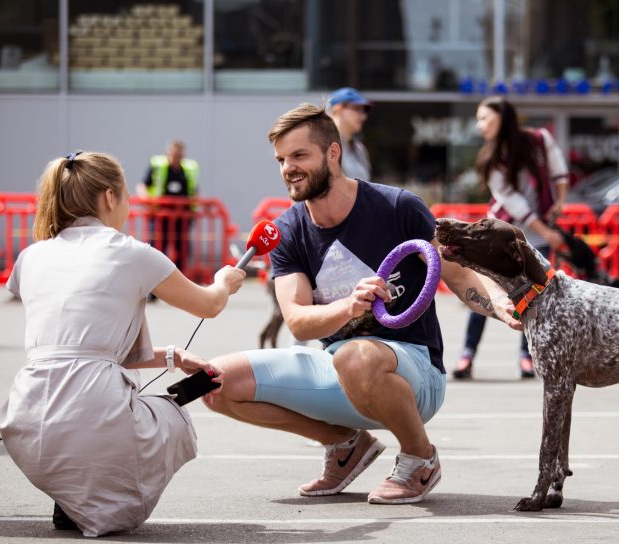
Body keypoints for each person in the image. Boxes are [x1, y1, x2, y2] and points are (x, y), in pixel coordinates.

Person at [203, 103, 519, 504]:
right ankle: (346, 445)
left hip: (415, 370)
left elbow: (457, 275)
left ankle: (420, 459)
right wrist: (349, 307)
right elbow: (298, 321)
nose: (288, 168)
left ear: (333, 153)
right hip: (338, 368)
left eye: (299, 155)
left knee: (356, 357)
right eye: (282, 159)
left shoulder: (397, 207)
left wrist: (502, 303)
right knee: (213, 383)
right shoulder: (288, 231)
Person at [0, 151, 246, 537]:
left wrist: (171, 356)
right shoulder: (131, 252)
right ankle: (97, 500)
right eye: (128, 196)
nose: (130, 206)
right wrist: (224, 281)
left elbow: (79, 346)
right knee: (172, 416)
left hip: (25, 417)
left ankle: (70, 496)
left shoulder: (31, 256)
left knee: (91, 410)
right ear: (109, 198)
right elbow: (209, 305)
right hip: (92, 411)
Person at [452, 96, 569, 380]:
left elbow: (559, 170)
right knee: (486, 289)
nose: (480, 125)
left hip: (538, 232)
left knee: (534, 295)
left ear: (502, 118)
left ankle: (527, 356)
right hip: (502, 234)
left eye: (484, 118)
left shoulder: (539, 140)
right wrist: (548, 233)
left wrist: (560, 202)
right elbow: (515, 204)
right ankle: (467, 354)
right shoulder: (490, 159)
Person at [136, 139, 199, 274]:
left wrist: (194, 207)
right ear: (167, 153)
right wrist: (148, 203)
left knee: (182, 251)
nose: (175, 158)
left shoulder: (188, 170)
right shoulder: (158, 166)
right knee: (157, 250)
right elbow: (142, 186)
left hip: (181, 218)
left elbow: (194, 191)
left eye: (179, 155)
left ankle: (179, 285)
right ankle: (153, 287)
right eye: (173, 155)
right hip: (160, 217)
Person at [326, 87, 372, 180]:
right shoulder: (322, 144)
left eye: (364, 111)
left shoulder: (360, 149)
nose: (363, 117)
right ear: (338, 109)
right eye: (357, 109)